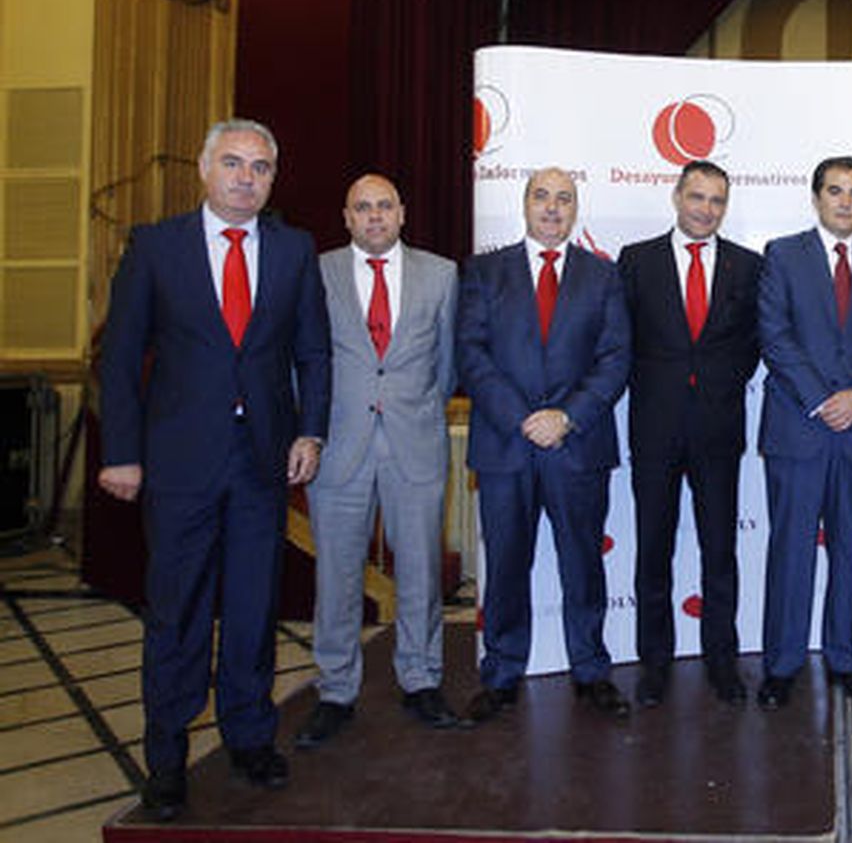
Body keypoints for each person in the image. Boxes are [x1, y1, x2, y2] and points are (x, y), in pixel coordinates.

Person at [98, 119, 331, 820]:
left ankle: (250, 737)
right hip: (178, 463)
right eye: (232, 163)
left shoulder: (294, 250)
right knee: (177, 612)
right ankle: (166, 756)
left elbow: (314, 353)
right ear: (204, 170)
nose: (245, 178)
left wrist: (311, 430)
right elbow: (120, 356)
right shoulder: (156, 246)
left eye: (260, 167)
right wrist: (121, 451)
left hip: (262, 460)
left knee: (255, 607)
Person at [455, 168, 632, 721]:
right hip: (507, 445)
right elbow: (471, 354)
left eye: (564, 199)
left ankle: (591, 669)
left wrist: (567, 417)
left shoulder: (602, 276)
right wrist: (524, 418)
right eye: (542, 197)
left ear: (575, 209)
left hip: (576, 445)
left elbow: (615, 358)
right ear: (524, 204)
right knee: (506, 563)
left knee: (583, 562)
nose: (552, 208)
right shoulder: (484, 271)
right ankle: (503, 671)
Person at [294, 175, 460, 750]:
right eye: (362, 208)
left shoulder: (442, 274)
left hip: (415, 442)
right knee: (336, 575)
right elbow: (303, 358)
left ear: (402, 213)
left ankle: (421, 680)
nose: (374, 217)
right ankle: (336, 689)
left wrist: (412, 409)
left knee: (419, 571)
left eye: (384, 206)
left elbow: (447, 364)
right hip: (340, 446)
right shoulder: (317, 272)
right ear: (345, 217)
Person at [755, 156, 852, 708]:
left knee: (851, 549)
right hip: (799, 429)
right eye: (836, 191)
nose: (846, 201)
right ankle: (782, 664)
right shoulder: (782, 255)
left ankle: (845, 659)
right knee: (791, 551)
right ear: (816, 197)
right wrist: (823, 398)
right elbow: (774, 334)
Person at [617, 161, 762, 706]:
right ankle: (655, 664)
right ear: (677, 196)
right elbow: (621, 341)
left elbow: (753, 345)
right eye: (697, 196)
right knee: (653, 551)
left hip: (719, 431)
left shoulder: (749, 266)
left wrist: (718, 386)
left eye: (717, 200)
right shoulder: (637, 261)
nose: (706, 208)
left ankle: (722, 662)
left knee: (719, 552)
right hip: (654, 430)